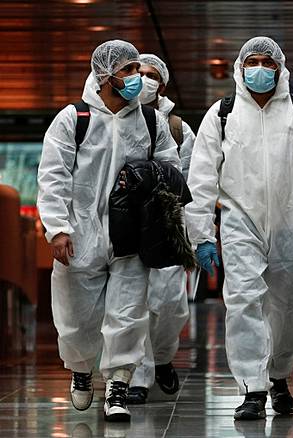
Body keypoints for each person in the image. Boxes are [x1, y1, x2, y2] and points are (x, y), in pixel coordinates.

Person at [185, 36, 293, 421]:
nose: (259, 69)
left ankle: (278, 374)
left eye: (267, 62)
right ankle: (252, 388)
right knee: (243, 302)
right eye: (252, 61)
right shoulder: (222, 114)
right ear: (240, 68)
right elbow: (201, 178)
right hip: (241, 222)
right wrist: (201, 234)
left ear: (279, 67)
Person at [37, 40, 180, 422]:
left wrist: (157, 195)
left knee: (128, 314)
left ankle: (118, 386)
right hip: (80, 234)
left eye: (137, 69)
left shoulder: (150, 121)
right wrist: (57, 228)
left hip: (131, 235)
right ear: (105, 75)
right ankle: (82, 369)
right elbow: (53, 176)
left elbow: (171, 167)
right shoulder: (74, 118)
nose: (136, 77)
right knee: (77, 315)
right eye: (128, 69)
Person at [126, 53, 196, 404]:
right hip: (127, 225)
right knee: (133, 302)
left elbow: (193, 183)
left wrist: (195, 237)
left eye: (150, 74)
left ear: (162, 85)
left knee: (170, 305)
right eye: (137, 72)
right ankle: (138, 377)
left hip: (167, 224)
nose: (143, 79)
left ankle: (163, 357)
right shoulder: (117, 121)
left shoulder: (179, 128)